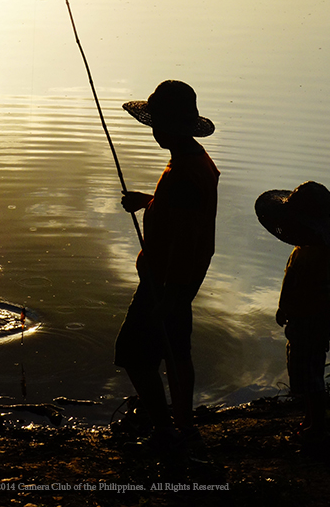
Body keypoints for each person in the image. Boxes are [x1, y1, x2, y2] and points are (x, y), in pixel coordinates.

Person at [114, 80, 219, 456]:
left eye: (157, 123)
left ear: (170, 126)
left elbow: (186, 239)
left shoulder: (182, 176)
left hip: (166, 283)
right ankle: (185, 427)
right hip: (179, 282)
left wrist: (170, 296)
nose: (154, 130)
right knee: (177, 351)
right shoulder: (196, 160)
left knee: (134, 355)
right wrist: (150, 202)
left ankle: (165, 430)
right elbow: (183, 216)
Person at [254, 181, 330, 442]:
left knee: (312, 377)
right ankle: (312, 419)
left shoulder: (322, 258)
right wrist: (283, 308)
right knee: (303, 373)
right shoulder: (302, 251)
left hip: (312, 325)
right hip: (301, 323)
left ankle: (317, 425)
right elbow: (291, 285)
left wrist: (298, 315)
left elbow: (321, 299)